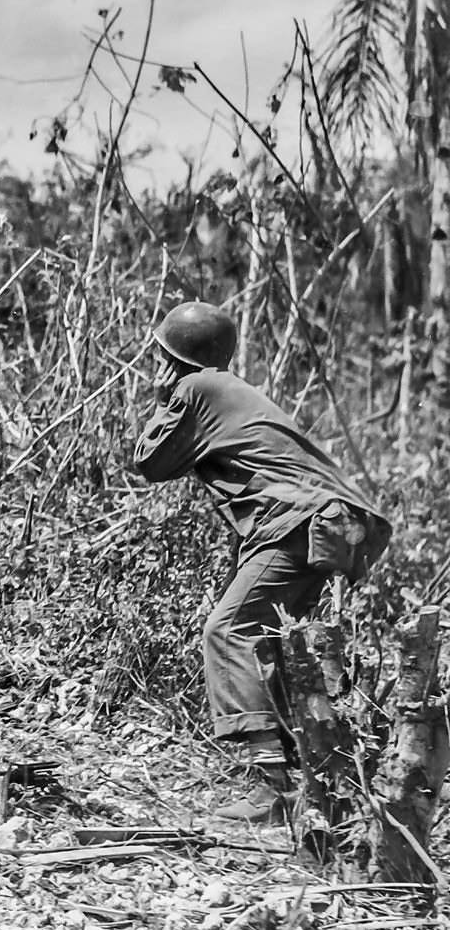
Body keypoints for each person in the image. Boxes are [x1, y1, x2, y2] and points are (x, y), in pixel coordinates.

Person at [133, 301, 391, 822]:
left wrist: (164, 401)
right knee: (275, 647)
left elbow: (151, 462)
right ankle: (316, 788)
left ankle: (267, 789)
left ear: (171, 357)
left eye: (161, 356)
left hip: (300, 520)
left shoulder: (196, 388)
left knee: (227, 632)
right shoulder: (230, 392)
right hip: (336, 524)